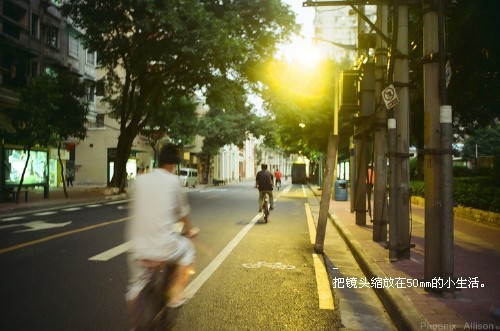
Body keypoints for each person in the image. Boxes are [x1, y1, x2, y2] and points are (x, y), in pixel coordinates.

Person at [125, 143, 199, 311]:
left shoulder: (140, 180)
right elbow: (183, 213)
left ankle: (134, 321)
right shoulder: (173, 181)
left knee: (135, 286)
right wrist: (190, 230)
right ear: (173, 164)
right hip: (163, 245)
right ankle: (175, 294)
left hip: (137, 247)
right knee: (188, 251)